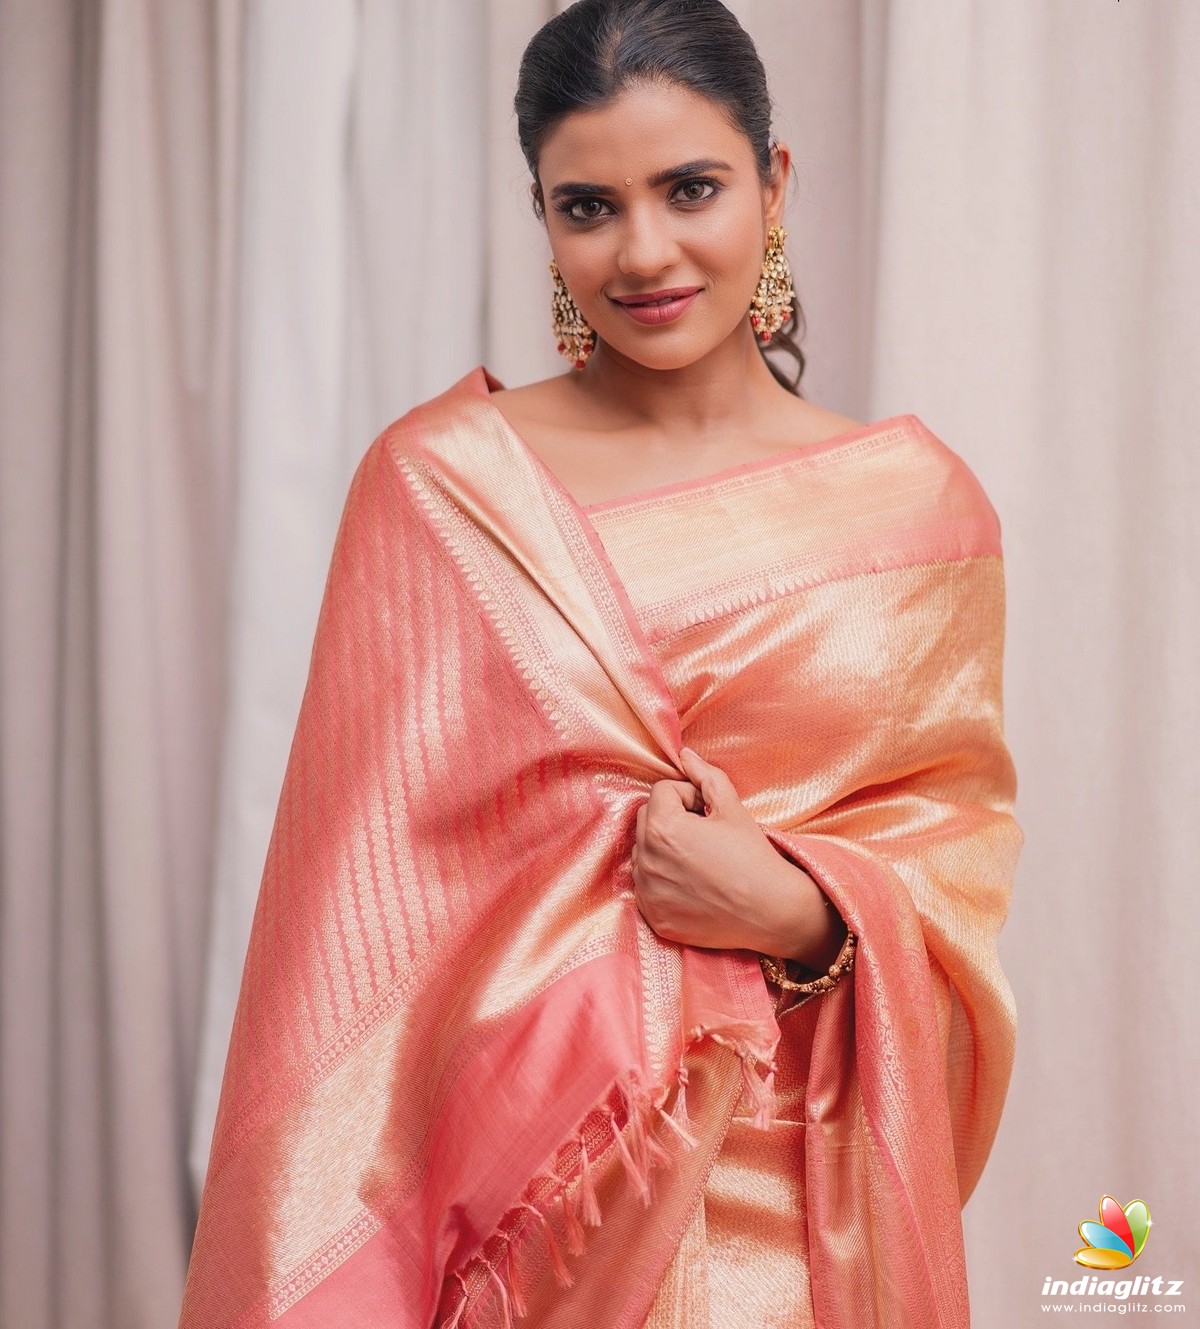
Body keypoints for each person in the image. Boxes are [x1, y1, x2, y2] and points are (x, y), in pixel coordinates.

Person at [177, 2, 1021, 1326]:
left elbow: (955, 903)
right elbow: (345, 944)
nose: (643, 253)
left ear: (773, 181)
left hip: (806, 1240)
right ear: (542, 215)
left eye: (691, 189)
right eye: (588, 207)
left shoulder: (917, 513)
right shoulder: (447, 494)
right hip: (526, 1240)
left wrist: (798, 913)